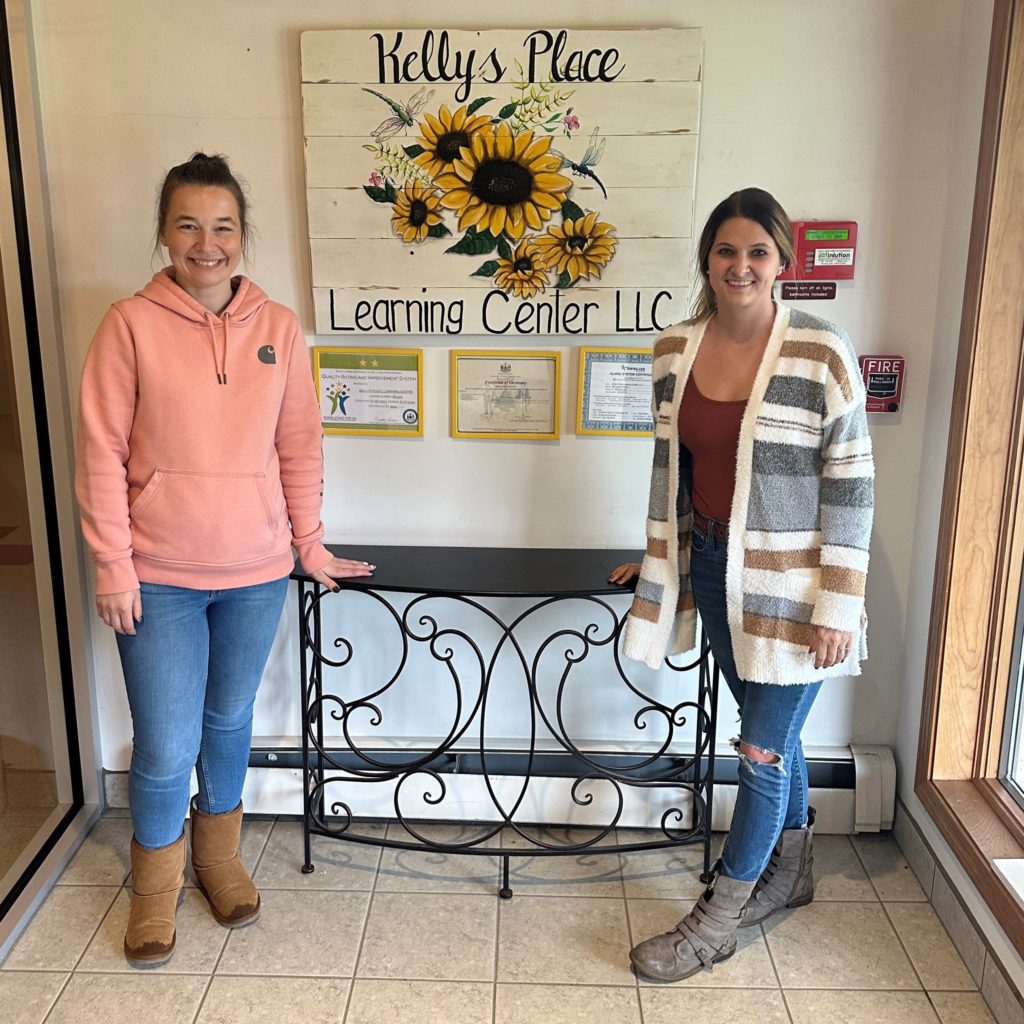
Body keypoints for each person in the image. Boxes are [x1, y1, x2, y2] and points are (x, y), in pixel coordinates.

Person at [75, 153, 373, 968]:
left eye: (223, 226)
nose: (207, 243)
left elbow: (299, 444)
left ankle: (217, 859)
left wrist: (307, 546)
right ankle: (153, 889)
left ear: (242, 235)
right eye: (188, 225)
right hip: (158, 576)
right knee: (167, 743)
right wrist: (113, 564)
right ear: (164, 233)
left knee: (228, 724)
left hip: (254, 572)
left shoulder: (277, 329)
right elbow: (99, 451)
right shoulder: (127, 325)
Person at [609, 187, 873, 982]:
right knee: (776, 740)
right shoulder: (674, 350)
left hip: (798, 594)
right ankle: (791, 872)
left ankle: (717, 920)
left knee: (758, 749)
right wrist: (657, 557)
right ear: (708, 260)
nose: (741, 265)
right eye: (727, 250)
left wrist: (839, 604)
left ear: (782, 261)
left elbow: (852, 484)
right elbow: (676, 473)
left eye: (757, 251)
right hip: (719, 574)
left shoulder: (821, 351)